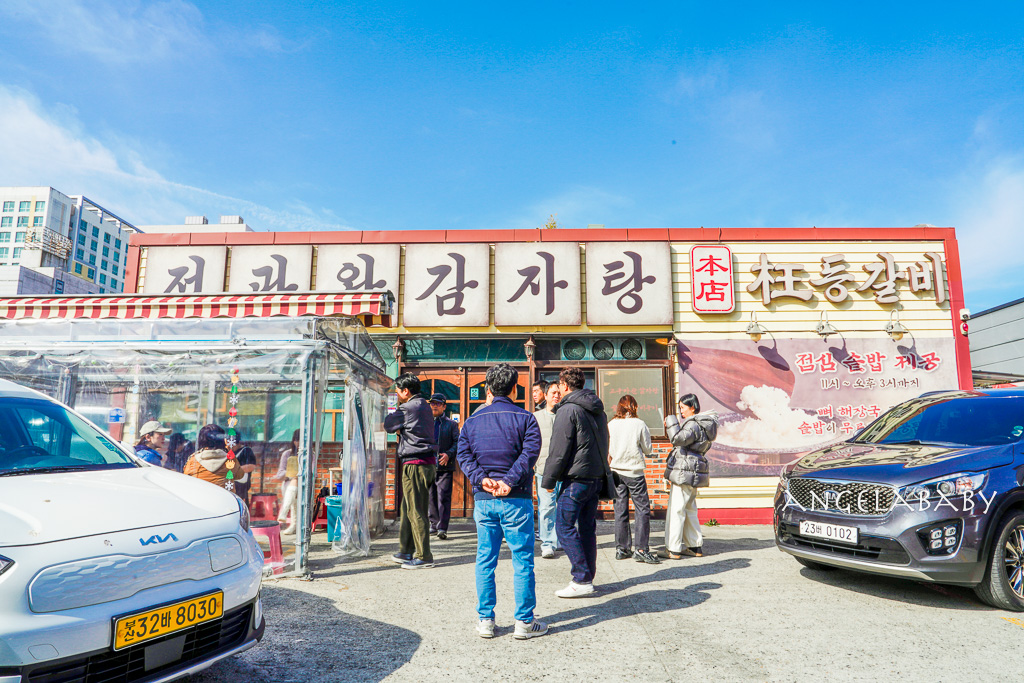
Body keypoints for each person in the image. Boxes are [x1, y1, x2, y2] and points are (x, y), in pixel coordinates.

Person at [457, 363, 547, 640]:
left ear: (487, 389)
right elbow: (529, 454)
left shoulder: (472, 421)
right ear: (514, 389)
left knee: (485, 559)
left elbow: (464, 455)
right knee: (522, 561)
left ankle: (485, 620)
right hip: (516, 498)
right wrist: (508, 481)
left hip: (484, 499)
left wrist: (482, 479)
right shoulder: (526, 418)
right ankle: (524, 623)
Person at [542, 367, 609, 598]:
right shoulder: (598, 409)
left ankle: (581, 578)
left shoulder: (568, 409)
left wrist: (548, 480)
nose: (558, 390)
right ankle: (587, 576)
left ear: (565, 385)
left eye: (559, 386)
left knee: (563, 526)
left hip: (575, 479)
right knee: (587, 528)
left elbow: (559, 450)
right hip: (595, 478)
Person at [383, 373, 437, 569]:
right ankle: (406, 550)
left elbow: (388, 424)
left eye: (397, 392)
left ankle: (424, 556)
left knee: (416, 509)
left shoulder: (407, 407)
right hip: (425, 462)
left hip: (416, 463)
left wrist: (395, 416)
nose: (396, 396)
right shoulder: (423, 405)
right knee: (407, 508)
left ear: (406, 391)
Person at [663, 393, 719, 560]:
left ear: (692, 407)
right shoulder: (704, 424)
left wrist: (671, 423)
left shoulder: (693, 424)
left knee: (677, 509)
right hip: (693, 470)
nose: (681, 411)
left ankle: (673, 549)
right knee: (689, 509)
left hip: (684, 470)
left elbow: (677, 439)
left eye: (682, 407)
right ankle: (694, 546)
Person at [608, 395, 659, 564]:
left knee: (620, 510)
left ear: (619, 408)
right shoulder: (639, 424)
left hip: (616, 471)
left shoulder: (611, 424)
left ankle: (621, 548)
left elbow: (608, 449)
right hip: (634, 472)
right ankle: (641, 549)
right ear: (634, 407)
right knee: (642, 509)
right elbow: (648, 449)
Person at [533, 381, 562, 558]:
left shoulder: (566, 415)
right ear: (546, 395)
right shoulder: (536, 417)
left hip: (565, 470)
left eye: (559, 393)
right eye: (553, 393)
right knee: (546, 507)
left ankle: (560, 540)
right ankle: (547, 542)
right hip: (544, 469)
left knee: (563, 507)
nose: (556, 396)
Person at [427, 393, 459, 540]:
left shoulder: (451, 425)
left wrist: (448, 454)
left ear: (444, 406)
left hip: (445, 466)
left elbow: (458, 443)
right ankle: (433, 524)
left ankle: (442, 527)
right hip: (428, 465)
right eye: (432, 403)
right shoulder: (425, 423)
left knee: (443, 497)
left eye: (438, 403)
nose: (434, 405)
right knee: (430, 496)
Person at [183, 423, 231, 489]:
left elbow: (186, 478)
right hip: (222, 497)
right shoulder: (229, 461)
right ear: (222, 441)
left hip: (200, 495)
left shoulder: (193, 460)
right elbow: (241, 476)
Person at [271, 430, 300, 535]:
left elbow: (313, 473)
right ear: (293, 441)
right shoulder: (287, 454)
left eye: (301, 440)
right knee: (294, 484)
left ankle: (284, 512)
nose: (299, 443)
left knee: (296, 482)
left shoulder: (311, 455)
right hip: (289, 483)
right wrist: (290, 472)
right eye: (297, 440)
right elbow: (280, 473)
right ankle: (294, 525)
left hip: (304, 484)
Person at [228, 430, 258, 506]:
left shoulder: (246, 451)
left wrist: (234, 470)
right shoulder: (226, 451)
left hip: (241, 482)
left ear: (238, 443)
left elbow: (251, 466)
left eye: (233, 445)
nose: (231, 446)